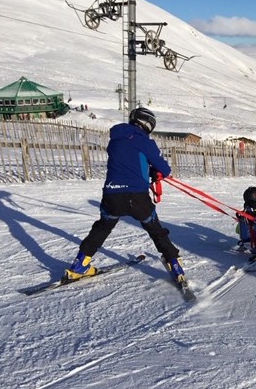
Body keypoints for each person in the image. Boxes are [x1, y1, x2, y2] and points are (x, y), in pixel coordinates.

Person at [65, 107, 186, 284]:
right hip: (137, 196)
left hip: (111, 195)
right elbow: (165, 169)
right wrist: (154, 172)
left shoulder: (115, 140)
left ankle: (79, 265)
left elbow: (129, 162)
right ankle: (175, 265)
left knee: (101, 229)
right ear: (147, 124)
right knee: (156, 230)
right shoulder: (145, 142)